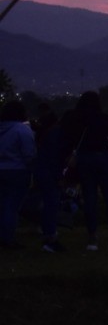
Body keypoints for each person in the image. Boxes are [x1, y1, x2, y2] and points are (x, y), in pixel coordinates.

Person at [60, 91, 108, 252]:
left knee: (89, 198)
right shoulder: (103, 118)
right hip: (103, 159)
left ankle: (92, 239)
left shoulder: (74, 119)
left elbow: (66, 139)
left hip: (83, 160)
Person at [31, 103, 69, 252]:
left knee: (46, 204)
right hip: (50, 174)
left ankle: (47, 234)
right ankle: (50, 239)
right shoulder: (56, 134)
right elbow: (55, 158)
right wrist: (59, 176)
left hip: (41, 172)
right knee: (51, 206)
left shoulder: (44, 134)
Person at [0, 102, 36, 249]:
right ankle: (7, 239)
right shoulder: (22, 130)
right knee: (12, 207)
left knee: (2, 205)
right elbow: (29, 154)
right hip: (17, 171)